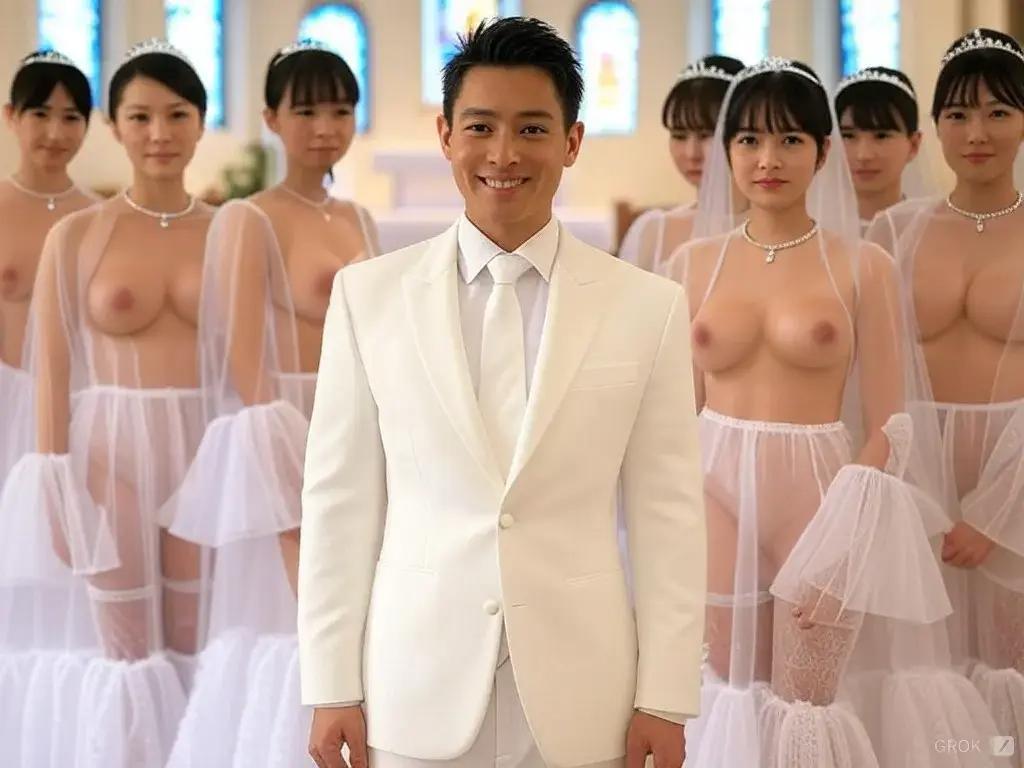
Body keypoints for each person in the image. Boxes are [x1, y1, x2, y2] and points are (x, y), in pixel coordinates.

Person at [299, 17, 706, 768]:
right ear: (446, 135)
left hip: (585, 694)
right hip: (414, 683)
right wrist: (330, 684)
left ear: (572, 141)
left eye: (532, 129)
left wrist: (666, 695)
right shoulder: (368, 297)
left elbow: (668, 515)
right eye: (481, 127)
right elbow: (339, 502)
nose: (504, 154)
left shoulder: (647, 307)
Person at [665, 57, 962, 766]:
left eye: (790, 140)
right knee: (728, 690)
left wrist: (848, 536)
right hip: (712, 488)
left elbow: (891, 423)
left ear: (822, 153)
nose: (768, 159)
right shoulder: (693, 264)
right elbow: (674, 411)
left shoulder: (863, 265)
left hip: (823, 496)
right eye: (749, 140)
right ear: (729, 150)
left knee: (808, 699)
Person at [0, 39, 214, 767]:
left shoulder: (231, 231)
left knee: (193, 641)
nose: (159, 133)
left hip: (199, 451)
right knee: (126, 652)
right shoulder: (77, 235)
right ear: (116, 126)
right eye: (140, 116)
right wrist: (54, 483)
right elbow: (54, 369)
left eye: (176, 114)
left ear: (201, 121)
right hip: (109, 449)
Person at [165, 39, 378, 768]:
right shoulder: (248, 218)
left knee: (362, 610)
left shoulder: (359, 219)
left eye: (340, 110)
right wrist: (287, 466)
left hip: (358, 427)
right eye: (307, 110)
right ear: (272, 119)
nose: (325, 127)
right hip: (287, 431)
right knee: (305, 619)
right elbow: (244, 356)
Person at [866, 27, 1024, 763]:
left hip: (1014, 475)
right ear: (933, 128)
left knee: (1005, 664)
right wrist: (906, 497)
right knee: (921, 668)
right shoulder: (893, 230)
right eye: (958, 115)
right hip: (915, 477)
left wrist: (999, 512)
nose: (977, 133)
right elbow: (867, 378)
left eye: (998, 112)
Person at [0, 48, 99, 768]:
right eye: (41, 113)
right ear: (11, 117)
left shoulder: (99, 217)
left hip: (74, 410)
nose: (56, 132)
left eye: (72, 116)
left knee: (65, 577)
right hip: (3, 399)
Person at [618, 55, 744, 273]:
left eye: (706, 135)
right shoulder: (651, 231)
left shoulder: (777, 229)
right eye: (679, 136)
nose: (691, 153)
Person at [834, 66, 923, 232]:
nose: (863, 155)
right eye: (848, 136)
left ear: (913, 145)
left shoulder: (931, 230)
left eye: (881, 136)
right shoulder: (810, 231)